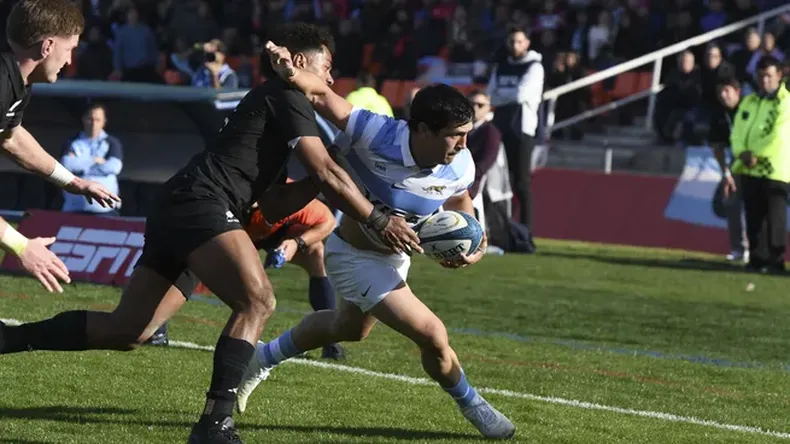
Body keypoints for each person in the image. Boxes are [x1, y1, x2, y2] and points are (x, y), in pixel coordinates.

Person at [0, 23, 419, 444]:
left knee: (129, 330)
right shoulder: (288, 95)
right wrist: (380, 219)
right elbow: (326, 173)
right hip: (200, 202)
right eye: (325, 67)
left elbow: (272, 204)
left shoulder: (277, 102)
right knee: (257, 300)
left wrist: (320, 182)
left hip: (184, 204)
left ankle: (8, 337)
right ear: (296, 63)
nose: (330, 79)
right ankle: (214, 424)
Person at [234, 41, 516, 440]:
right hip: (353, 256)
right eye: (455, 136)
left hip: (394, 259)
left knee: (347, 328)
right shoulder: (376, 133)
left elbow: (459, 197)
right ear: (421, 130)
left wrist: (470, 240)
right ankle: (474, 405)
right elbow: (320, 94)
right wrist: (289, 69)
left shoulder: (460, 159)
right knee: (433, 334)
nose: (464, 146)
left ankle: (260, 359)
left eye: (467, 135)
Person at [0, 0, 120, 293]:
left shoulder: (15, 82)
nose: (69, 61)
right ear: (47, 47)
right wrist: (20, 245)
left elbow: (12, 138)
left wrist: (74, 182)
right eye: (69, 49)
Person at [153, 189, 346, 360]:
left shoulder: (289, 195)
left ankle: (330, 339)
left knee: (316, 253)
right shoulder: (227, 193)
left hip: (269, 234)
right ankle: (155, 327)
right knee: (195, 260)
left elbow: (327, 220)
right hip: (226, 230)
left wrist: (297, 243)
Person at [730, 55, 790, 274]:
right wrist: (741, 152)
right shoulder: (749, 101)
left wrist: (756, 154)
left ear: (779, 76)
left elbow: (779, 136)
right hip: (748, 167)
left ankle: (775, 260)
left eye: (768, 76)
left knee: (775, 217)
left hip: (775, 169)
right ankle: (757, 257)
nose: (764, 81)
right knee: (753, 215)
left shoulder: (786, 102)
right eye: (761, 76)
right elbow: (737, 132)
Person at [487, 26, 544, 229]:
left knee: (521, 183)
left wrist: (502, 95)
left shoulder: (535, 67)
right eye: (512, 41)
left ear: (527, 43)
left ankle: (526, 230)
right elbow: (490, 96)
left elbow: (521, 95)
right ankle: (503, 228)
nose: (515, 45)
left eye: (519, 41)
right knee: (500, 182)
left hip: (522, 130)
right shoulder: (500, 66)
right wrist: (505, 96)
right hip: (499, 127)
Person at [708, 76, 747, 263]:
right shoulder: (718, 114)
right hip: (737, 163)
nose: (723, 96)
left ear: (737, 92)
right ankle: (738, 249)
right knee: (731, 202)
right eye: (720, 92)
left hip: (760, 162)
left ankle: (759, 249)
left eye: (727, 91)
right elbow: (717, 146)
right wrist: (726, 173)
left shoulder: (750, 108)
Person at [61, 103, 123, 216]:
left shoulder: (112, 143)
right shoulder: (72, 142)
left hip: (105, 211)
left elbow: (114, 167)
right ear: (83, 119)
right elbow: (67, 165)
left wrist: (81, 167)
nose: (94, 123)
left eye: (98, 120)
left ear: (104, 122)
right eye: (90, 119)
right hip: (74, 209)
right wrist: (95, 161)